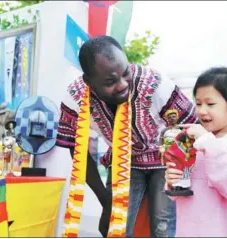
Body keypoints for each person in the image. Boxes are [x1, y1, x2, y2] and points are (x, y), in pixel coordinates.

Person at [56, 35, 198, 237]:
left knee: (163, 227)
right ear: (89, 81)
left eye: (125, 73)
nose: (123, 84)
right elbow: (77, 151)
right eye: (110, 81)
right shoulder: (75, 99)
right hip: (123, 161)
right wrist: (106, 201)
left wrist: (182, 176)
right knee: (116, 227)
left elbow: (191, 126)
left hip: (165, 161)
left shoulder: (155, 84)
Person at [165, 67, 227, 237]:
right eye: (198, 103)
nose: (202, 110)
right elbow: (178, 194)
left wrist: (207, 142)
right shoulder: (191, 142)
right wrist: (171, 181)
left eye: (210, 104)